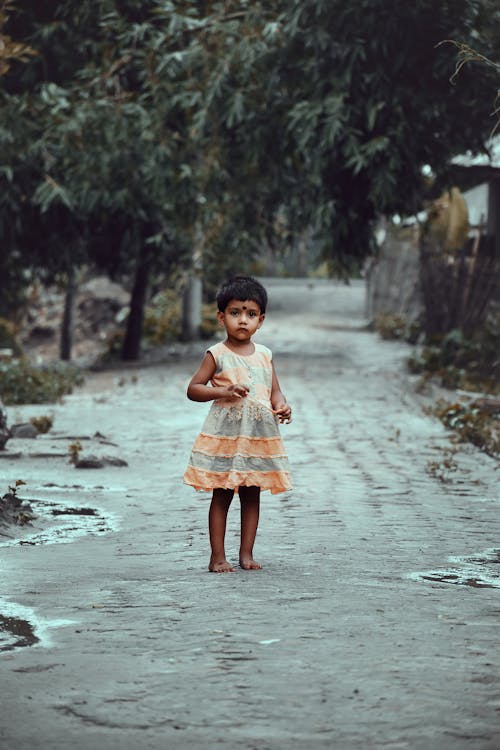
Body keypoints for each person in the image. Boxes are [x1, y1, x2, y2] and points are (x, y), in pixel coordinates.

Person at [183, 276, 292, 573]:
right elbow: (193, 388)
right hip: (226, 438)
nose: (243, 320)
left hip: (256, 437)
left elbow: (274, 390)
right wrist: (221, 391)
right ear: (221, 317)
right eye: (235, 313)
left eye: (251, 314)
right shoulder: (216, 354)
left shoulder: (265, 355)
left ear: (261, 320)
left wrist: (281, 405)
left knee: (252, 494)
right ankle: (217, 556)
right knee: (222, 494)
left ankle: (247, 554)